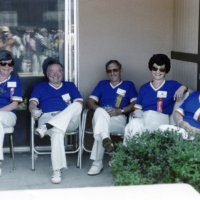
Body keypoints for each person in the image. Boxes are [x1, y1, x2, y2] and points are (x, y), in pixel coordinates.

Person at [29, 57, 83, 184]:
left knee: (77, 105)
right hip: (48, 116)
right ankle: (56, 170)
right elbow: (32, 103)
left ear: (62, 73)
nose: (55, 74)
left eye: (59, 71)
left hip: (69, 120)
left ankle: (46, 127)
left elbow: (79, 104)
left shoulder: (70, 86)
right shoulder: (40, 87)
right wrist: (33, 110)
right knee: (57, 131)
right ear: (47, 74)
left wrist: (63, 115)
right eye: (51, 71)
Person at [87, 60, 138, 175]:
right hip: (101, 117)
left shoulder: (128, 85)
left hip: (118, 118)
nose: (112, 73)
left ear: (121, 71)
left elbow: (135, 104)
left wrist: (120, 111)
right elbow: (90, 102)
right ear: (107, 73)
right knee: (100, 114)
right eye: (109, 71)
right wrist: (101, 110)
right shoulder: (102, 84)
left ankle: (97, 163)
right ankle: (106, 139)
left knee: (100, 129)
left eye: (115, 70)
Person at [124, 54, 188, 144]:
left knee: (133, 128)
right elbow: (138, 108)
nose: (158, 72)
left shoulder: (172, 85)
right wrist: (137, 114)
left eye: (161, 69)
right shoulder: (144, 87)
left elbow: (188, 89)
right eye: (155, 68)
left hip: (160, 119)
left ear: (166, 71)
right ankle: (135, 153)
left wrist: (182, 88)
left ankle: (132, 154)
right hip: (143, 117)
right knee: (134, 124)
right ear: (151, 69)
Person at [0, 50, 22, 176]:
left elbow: (14, 104)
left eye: (10, 63)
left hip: (9, 115)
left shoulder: (15, 80)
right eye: (3, 63)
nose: (7, 66)